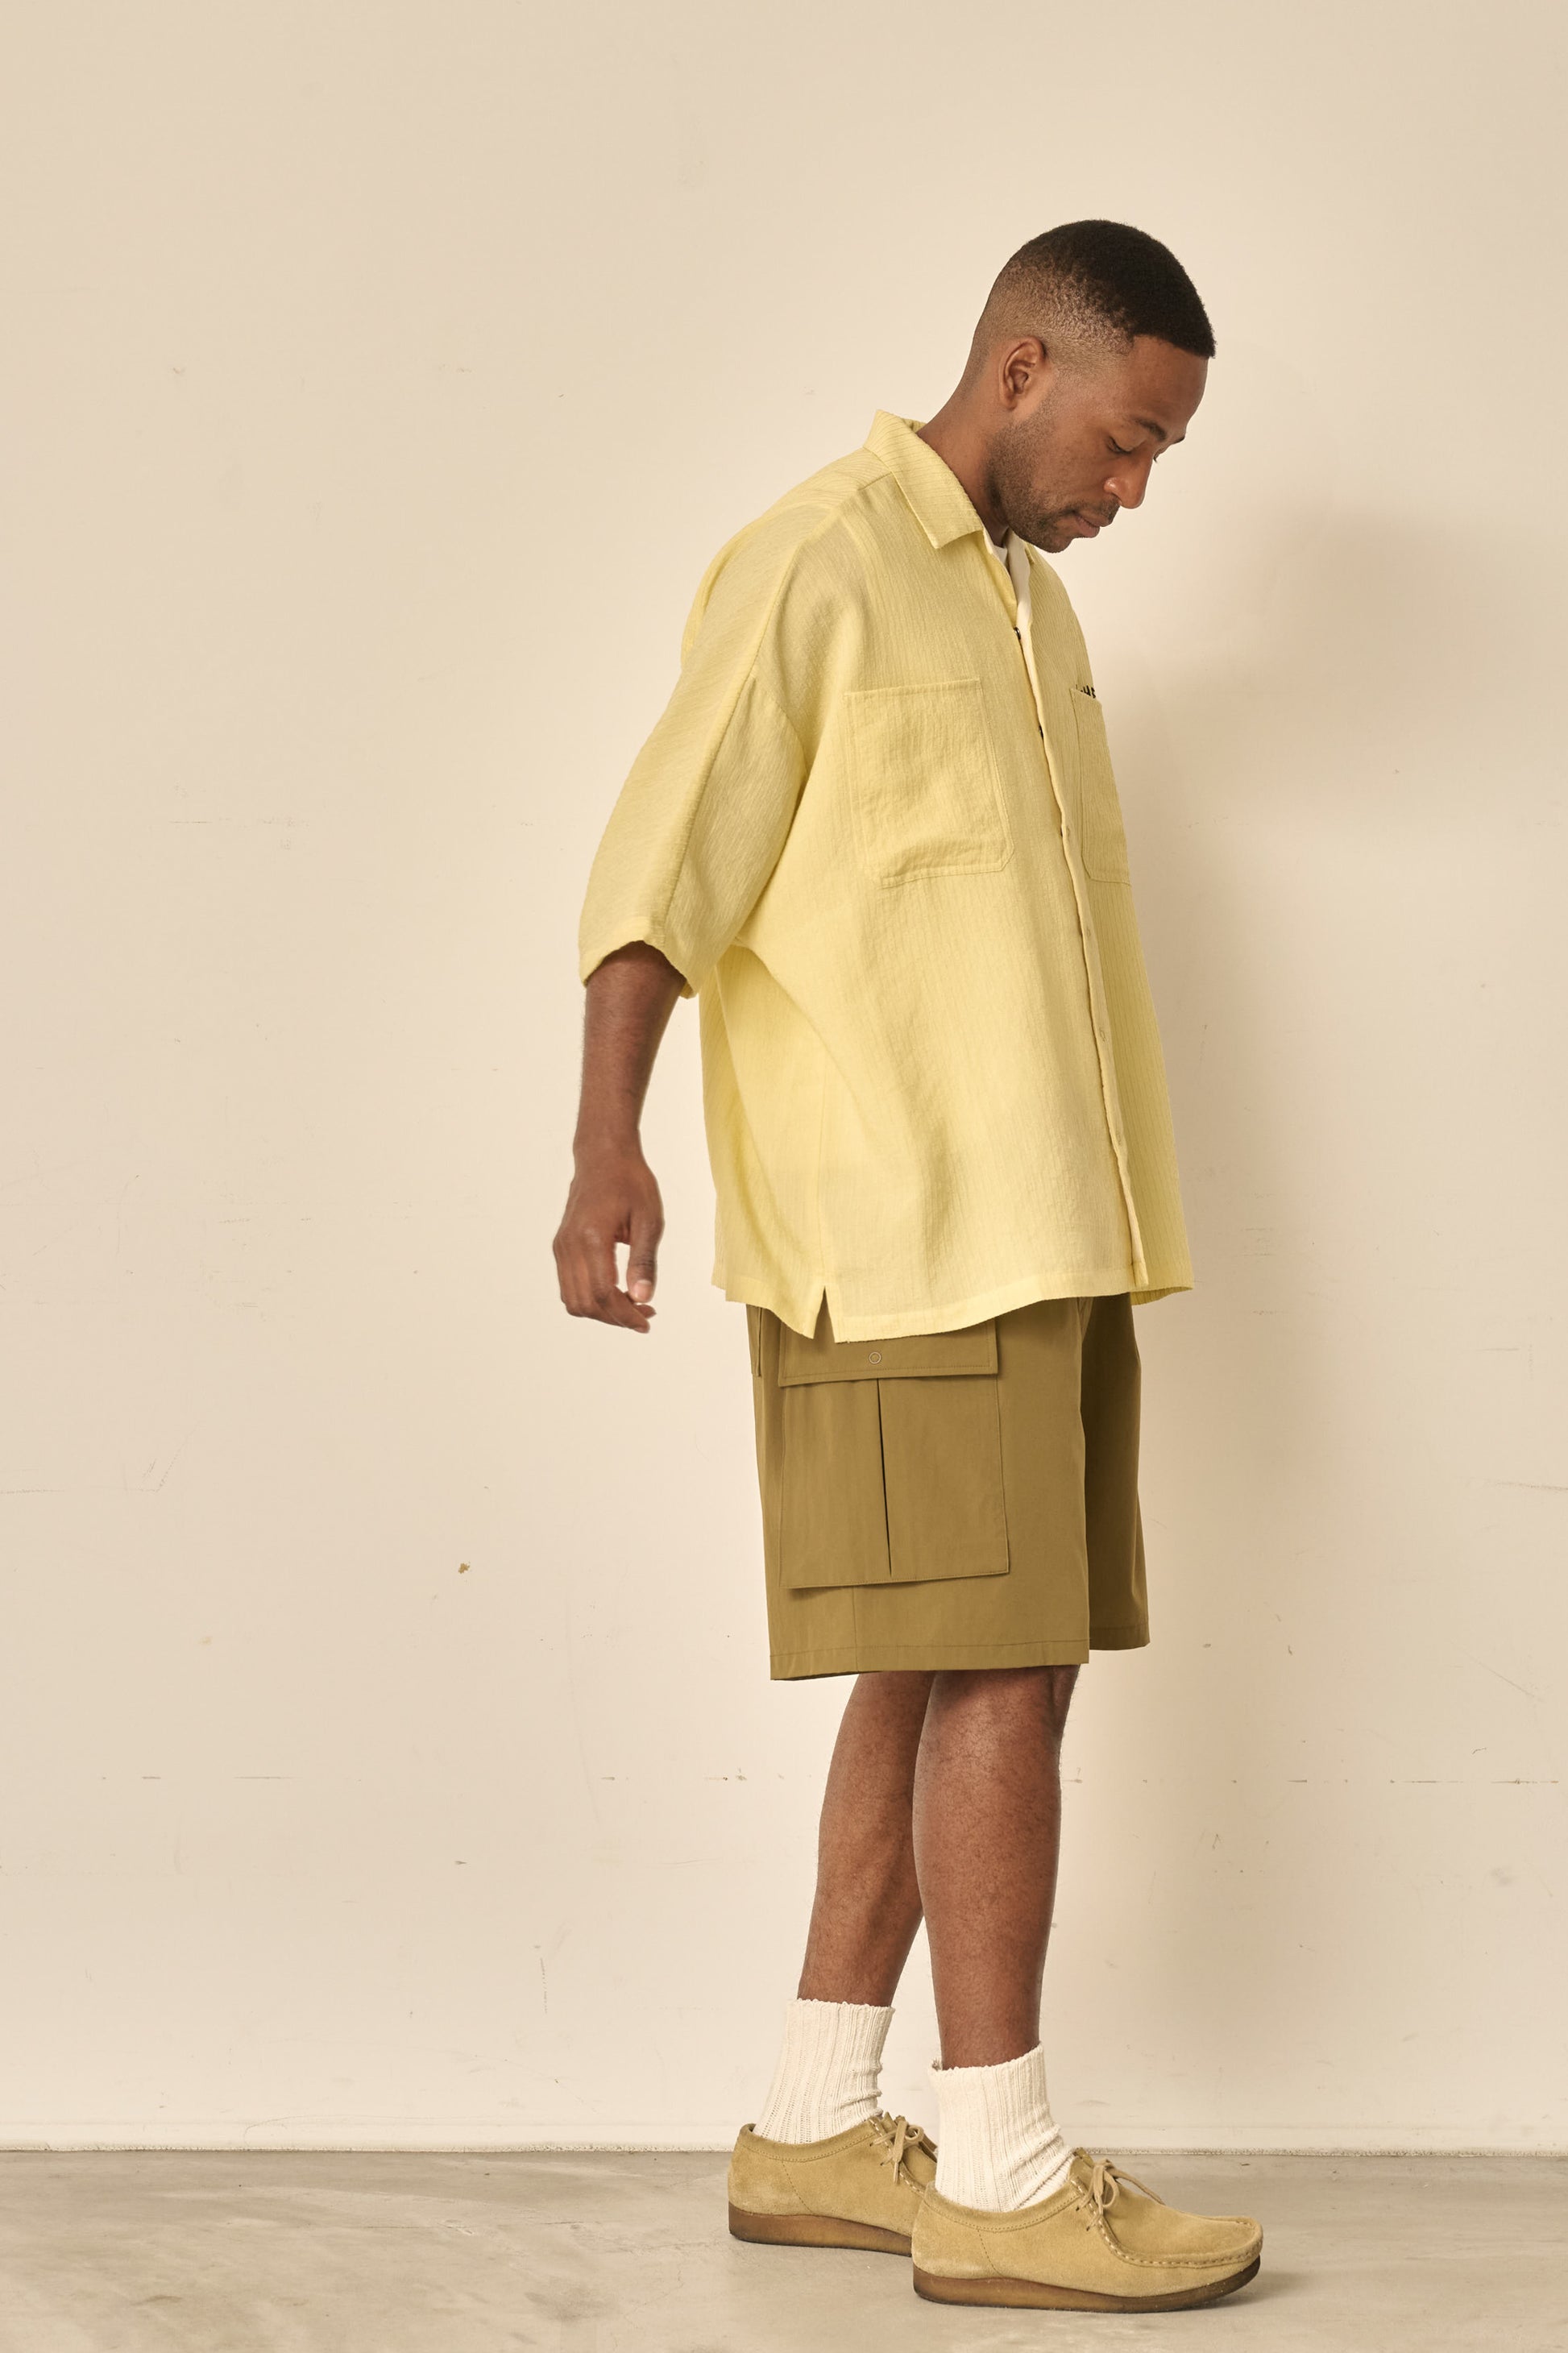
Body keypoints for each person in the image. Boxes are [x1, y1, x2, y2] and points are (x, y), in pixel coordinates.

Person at [554, 220, 1262, 2314]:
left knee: (952, 1660)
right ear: (1022, 368)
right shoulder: (819, 565)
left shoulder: (1028, 608)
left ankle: (815, 2121)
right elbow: (656, 873)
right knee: (999, 1675)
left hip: (1047, 1233)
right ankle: (1003, 2168)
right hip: (907, 1241)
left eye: (1161, 459)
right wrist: (605, 1142)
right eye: (1126, 440)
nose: (1131, 488)